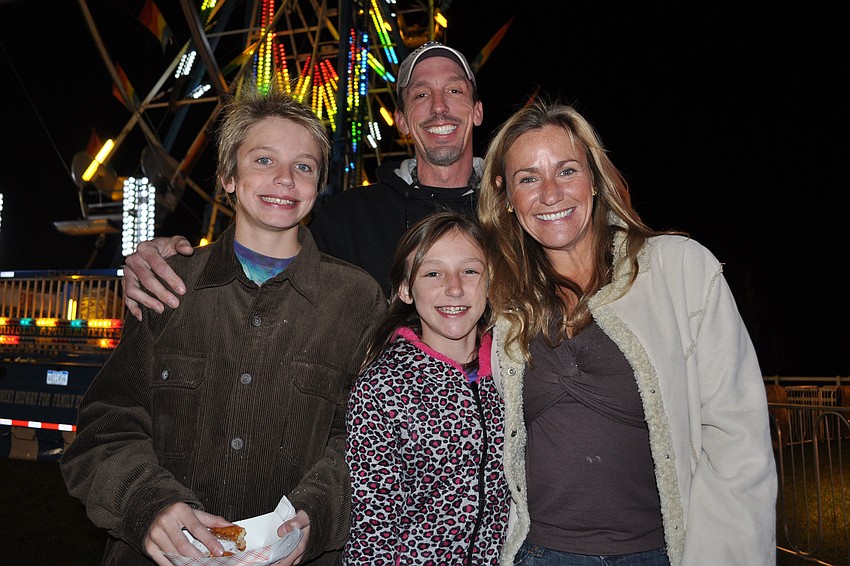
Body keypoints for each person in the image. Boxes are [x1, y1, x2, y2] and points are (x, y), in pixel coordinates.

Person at [59, 86, 386, 566]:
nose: (284, 179)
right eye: (263, 160)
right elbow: (105, 429)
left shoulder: (356, 300)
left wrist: (318, 510)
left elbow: (366, 441)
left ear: (318, 186)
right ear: (228, 176)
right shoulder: (168, 285)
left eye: (303, 166)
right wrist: (147, 506)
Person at [477, 99, 777, 565]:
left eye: (567, 170)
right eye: (528, 178)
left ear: (594, 180)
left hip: (661, 554)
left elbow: (737, 440)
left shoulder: (678, 271)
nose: (550, 193)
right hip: (538, 555)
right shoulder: (495, 301)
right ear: (507, 199)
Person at [120, 40, 483, 313]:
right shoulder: (349, 217)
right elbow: (273, 272)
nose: (439, 107)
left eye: (454, 90)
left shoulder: (514, 210)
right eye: (421, 94)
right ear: (401, 120)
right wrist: (169, 265)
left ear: (478, 111)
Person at [343, 211, 509, 565]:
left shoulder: (514, 371)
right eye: (433, 273)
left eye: (470, 270)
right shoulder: (383, 387)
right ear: (405, 288)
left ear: (492, 282)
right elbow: (374, 522)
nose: (454, 287)